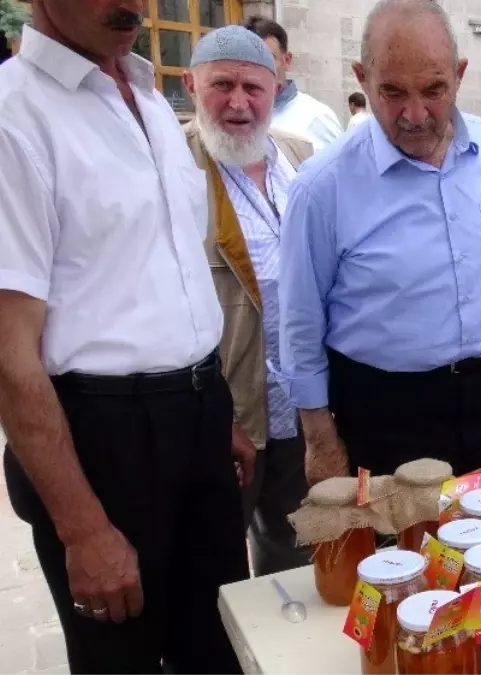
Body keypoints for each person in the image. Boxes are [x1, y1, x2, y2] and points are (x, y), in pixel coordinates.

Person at [0, 2, 251, 672]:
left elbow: (166, 271)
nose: (135, 5)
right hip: (102, 436)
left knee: (221, 643)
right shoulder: (14, 117)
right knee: (123, 657)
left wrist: (212, 403)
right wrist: (81, 526)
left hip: (195, 416)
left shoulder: (144, 95)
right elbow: (8, 351)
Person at [280, 0, 481, 489]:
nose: (414, 113)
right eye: (392, 92)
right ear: (362, 78)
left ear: (460, 75)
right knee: (403, 561)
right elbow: (300, 323)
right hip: (386, 417)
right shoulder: (322, 187)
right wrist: (320, 439)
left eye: (433, 90)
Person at [182, 26, 315, 576]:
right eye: (222, 85)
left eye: (253, 88)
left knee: (298, 558)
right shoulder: (173, 165)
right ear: (191, 86)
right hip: (227, 413)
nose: (238, 103)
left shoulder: (300, 158)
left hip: (303, 409)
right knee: (212, 569)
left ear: (276, 87)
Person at [244, 15, 343, 151]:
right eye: (246, 60)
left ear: (287, 60)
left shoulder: (317, 119)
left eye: (266, 58)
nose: (255, 68)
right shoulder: (233, 118)